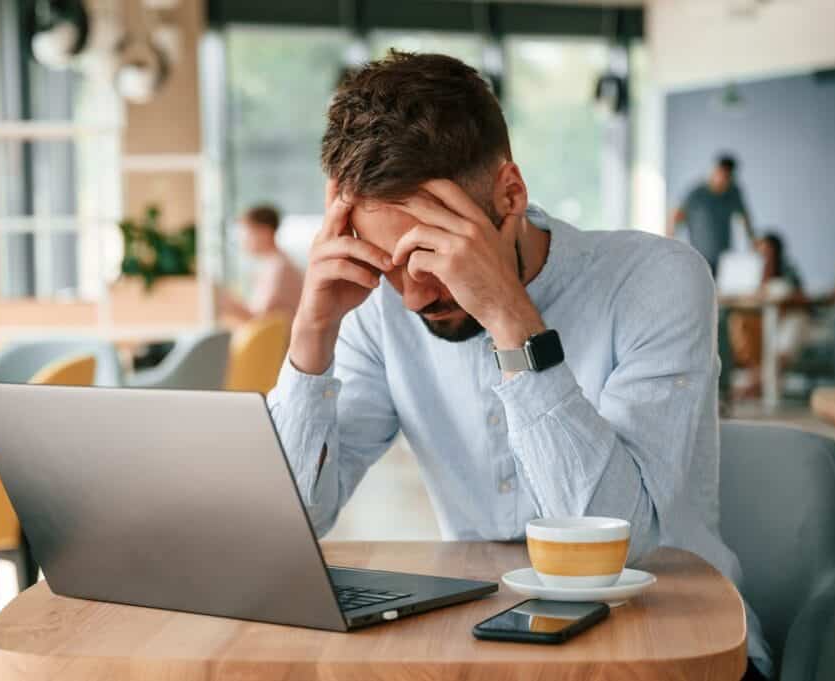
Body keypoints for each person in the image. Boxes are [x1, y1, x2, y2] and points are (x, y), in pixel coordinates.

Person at [268, 52, 771, 679]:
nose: (413, 296)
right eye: (386, 264)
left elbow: (618, 545)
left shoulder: (656, 281)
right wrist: (312, 336)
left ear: (510, 194)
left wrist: (511, 315)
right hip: (496, 646)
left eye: (430, 255)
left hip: (677, 646)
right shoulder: (380, 309)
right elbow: (293, 523)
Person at [728, 232, 808, 398]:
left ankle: (752, 384)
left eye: (768, 251)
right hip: (765, 319)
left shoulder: (787, 270)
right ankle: (756, 383)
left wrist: (787, 297)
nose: (764, 255)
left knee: (785, 339)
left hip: (790, 318)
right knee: (739, 321)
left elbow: (801, 296)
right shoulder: (753, 272)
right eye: (761, 250)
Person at [668, 154, 755, 275]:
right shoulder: (697, 193)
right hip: (699, 257)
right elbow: (676, 216)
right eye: (721, 175)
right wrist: (670, 246)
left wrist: (752, 241)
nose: (723, 180)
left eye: (728, 177)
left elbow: (744, 217)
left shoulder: (733, 192)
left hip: (724, 257)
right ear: (715, 171)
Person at [217, 204, 303, 322]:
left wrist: (225, 302)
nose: (243, 240)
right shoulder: (272, 265)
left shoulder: (280, 269)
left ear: (265, 232)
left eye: (247, 233)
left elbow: (259, 319)